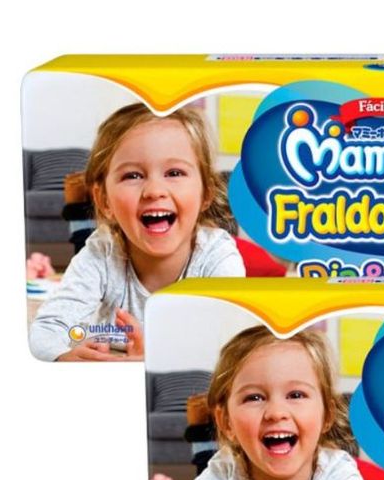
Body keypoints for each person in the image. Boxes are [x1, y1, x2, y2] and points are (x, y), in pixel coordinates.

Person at [152, 326, 377, 480]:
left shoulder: (337, 473)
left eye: (296, 394)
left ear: (327, 414)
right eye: (255, 398)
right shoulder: (223, 474)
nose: (276, 413)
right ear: (226, 422)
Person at [29, 103, 244, 361]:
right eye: (132, 175)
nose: (154, 191)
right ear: (104, 200)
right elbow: (45, 331)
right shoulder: (102, 253)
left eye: (174, 172)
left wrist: (153, 359)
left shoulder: (217, 257)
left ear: (206, 192)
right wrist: (65, 357)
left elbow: (229, 342)